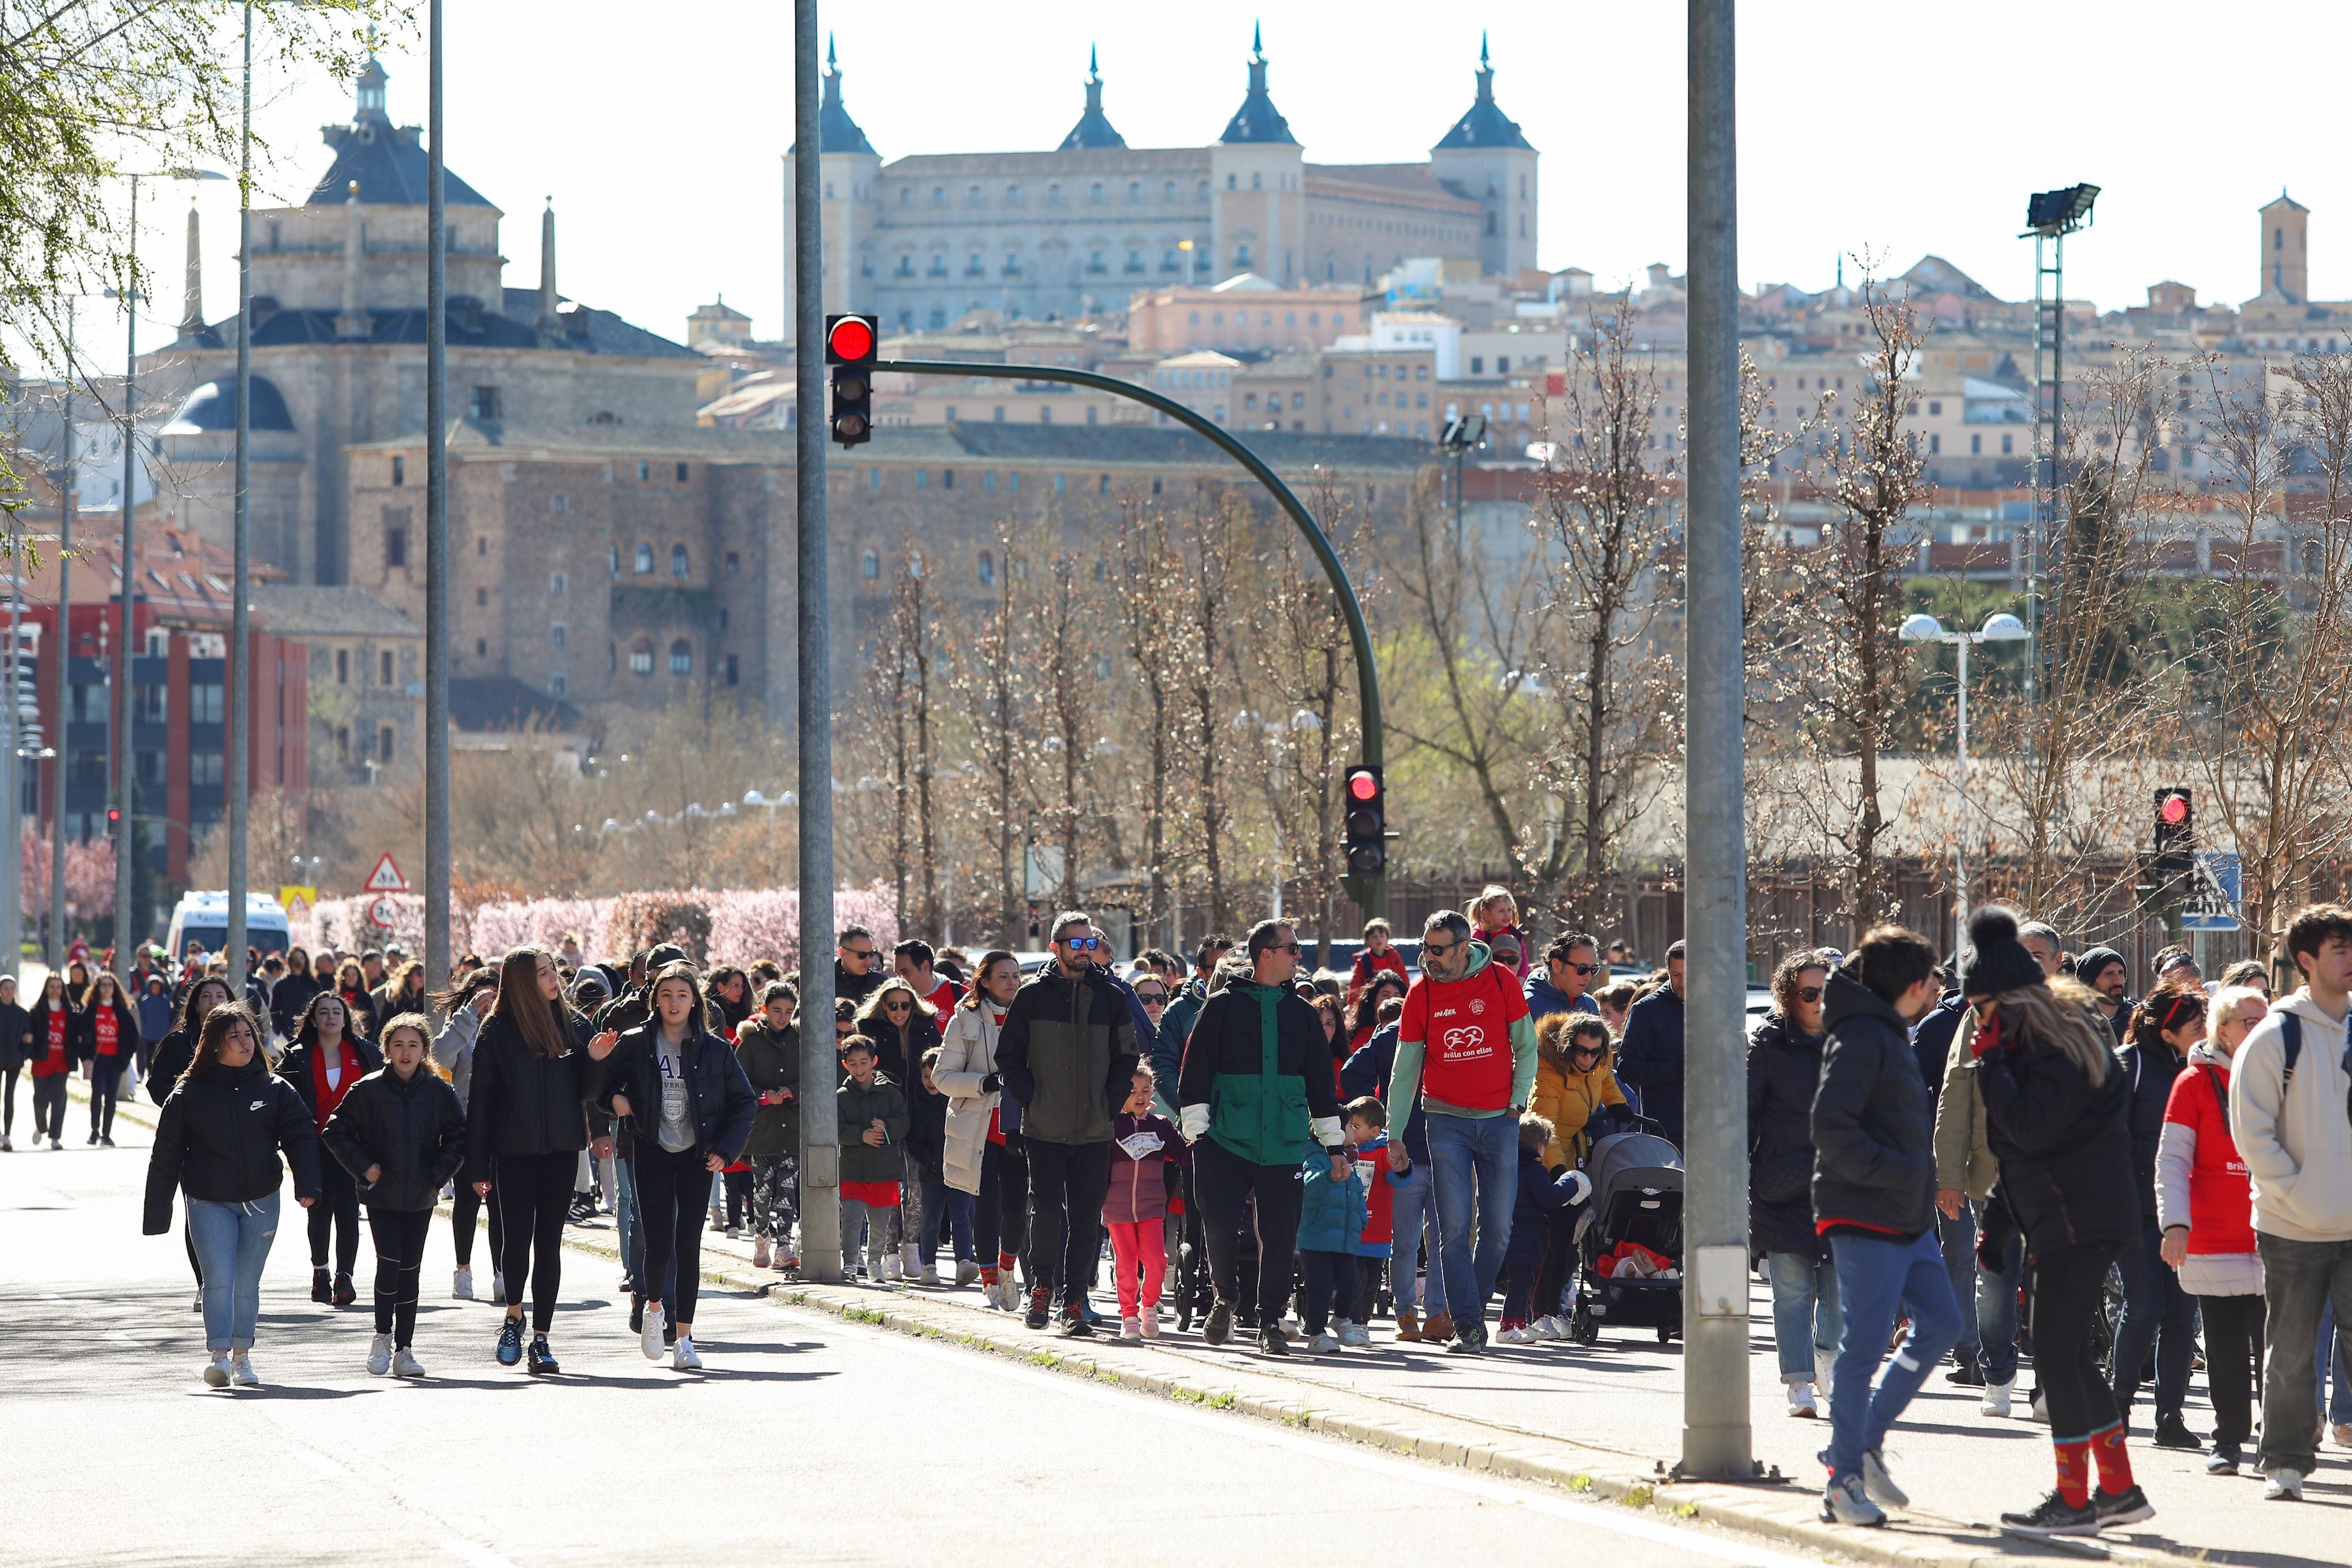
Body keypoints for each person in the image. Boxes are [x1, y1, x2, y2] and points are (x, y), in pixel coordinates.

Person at [1965, 907, 2149, 1537]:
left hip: (2078, 1216)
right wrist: (1997, 1224)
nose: (1976, 1023)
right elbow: (2019, 1150)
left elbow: (2028, 1127)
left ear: (2003, 1001)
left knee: (2055, 1357)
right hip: (2070, 1214)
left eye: (1980, 1009)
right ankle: (2119, 1491)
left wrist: (1989, 1065)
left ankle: (2075, 1502)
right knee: (2068, 1355)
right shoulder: (2038, 1037)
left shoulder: (2047, 1043)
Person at [1812, 924, 1966, 1529]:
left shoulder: (1888, 1032)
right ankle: (1841, 1482)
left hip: (1903, 1212)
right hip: (1864, 1211)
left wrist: (1910, 1180)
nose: (1936, 988)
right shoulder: (1858, 1035)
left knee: (1944, 1322)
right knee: (1865, 1346)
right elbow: (1831, 1125)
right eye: (1930, 979)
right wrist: (1899, 1171)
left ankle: (1860, 1442)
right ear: (1909, 985)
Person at [2227, 903, 2352, 1503]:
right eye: (2340, 951)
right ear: (2306, 961)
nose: (2351, 961)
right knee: (2293, 1348)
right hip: (2291, 1226)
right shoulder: (2277, 1033)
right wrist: (2296, 1192)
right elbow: (2251, 1131)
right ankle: (2284, 1460)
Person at [1178, 919, 1347, 1355]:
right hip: (1224, 1140)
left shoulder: (1302, 1014)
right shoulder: (1220, 1006)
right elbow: (1195, 1068)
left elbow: (1321, 1085)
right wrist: (1198, 1131)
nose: (1298, 956)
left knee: (1280, 1234)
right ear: (1265, 954)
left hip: (1284, 1143)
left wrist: (1334, 1146)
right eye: (1292, 949)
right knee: (1217, 1224)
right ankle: (1226, 1296)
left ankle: (1270, 1319)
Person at [142, 1003, 321, 1388]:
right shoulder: (189, 1092)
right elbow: (166, 1153)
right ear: (214, 1044)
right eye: (234, 1036)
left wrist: (309, 1184)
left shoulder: (274, 1088)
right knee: (219, 1278)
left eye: (248, 1035)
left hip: (261, 1198)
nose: (245, 1043)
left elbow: (302, 1135)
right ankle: (219, 1355)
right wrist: (158, 1212)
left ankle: (243, 1356)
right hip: (208, 1199)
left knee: (247, 1281)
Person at [1385, 908, 1536, 1355]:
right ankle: (1470, 1323)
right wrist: (1394, 1133)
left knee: (1499, 1228)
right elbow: (1404, 1069)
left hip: (1499, 1122)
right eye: (1424, 948)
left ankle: (1471, 1301)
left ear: (1463, 946)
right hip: (1445, 1120)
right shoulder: (1421, 993)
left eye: (1437, 949)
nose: (1428, 957)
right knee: (1452, 1228)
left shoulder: (1502, 981)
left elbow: (1526, 1046)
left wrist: (1518, 1099)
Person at [591, 960, 756, 1370]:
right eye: (666, 994)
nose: (674, 1002)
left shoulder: (715, 1049)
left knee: (688, 1245)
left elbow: (745, 1102)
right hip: (651, 1148)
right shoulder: (634, 1042)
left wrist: (726, 1150)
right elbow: (598, 1084)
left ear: (694, 1000)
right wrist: (614, 1099)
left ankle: (684, 1338)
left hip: (698, 1156)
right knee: (658, 1239)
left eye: (683, 994)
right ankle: (653, 1309)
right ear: (655, 1000)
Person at [1934, 915, 2063, 1419]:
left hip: (2060, 1179)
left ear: (2056, 961)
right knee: (1995, 1285)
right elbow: (1955, 1095)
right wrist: (1948, 1176)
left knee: (2054, 1288)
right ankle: (1999, 1375)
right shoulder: (1980, 1016)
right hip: (1995, 1179)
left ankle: (2049, 1385)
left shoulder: (2073, 1015)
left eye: (2038, 955)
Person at [466, 945, 613, 1376]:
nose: (555, 980)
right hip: (513, 1151)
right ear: (522, 983)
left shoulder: (575, 1024)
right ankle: (514, 1315)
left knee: (549, 1242)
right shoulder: (496, 1032)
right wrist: (477, 1166)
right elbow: (481, 1105)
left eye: (554, 971)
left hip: (563, 1149)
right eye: (544, 974)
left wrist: (597, 1061)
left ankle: (543, 1338)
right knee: (517, 1240)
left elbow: (587, 1090)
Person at [998, 912, 1138, 1335]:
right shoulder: (1031, 996)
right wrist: (1033, 1098)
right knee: (1045, 1211)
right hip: (1043, 1127)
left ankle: (1075, 1298)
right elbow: (1009, 1058)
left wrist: (1110, 1103)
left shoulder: (1112, 997)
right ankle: (1042, 1288)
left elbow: (1127, 1057)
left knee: (1085, 1215)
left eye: (1088, 942)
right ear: (1055, 947)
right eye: (1074, 943)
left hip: (1095, 1128)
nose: (1083, 950)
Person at [2157, 983, 2269, 1474]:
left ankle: (2280, 1440)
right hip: (2215, 1237)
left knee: (2278, 1350)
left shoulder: (2286, 1077)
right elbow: (2173, 1160)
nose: (2262, 1029)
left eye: (2267, 1019)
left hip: (2277, 1234)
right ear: (2222, 1030)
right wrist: (2175, 1224)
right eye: (2250, 1021)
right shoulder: (2193, 1084)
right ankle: (2228, 1440)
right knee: (2224, 1349)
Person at [322, 1013, 466, 1378]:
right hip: (381, 1194)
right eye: (398, 1045)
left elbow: (459, 1138)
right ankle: (382, 1337)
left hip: (420, 1194)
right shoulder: (367, 1089)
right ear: (386, 1049)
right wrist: (365, 1167)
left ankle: (405, 1348)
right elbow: (335, 1132)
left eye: (413, 1045)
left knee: (410, 1268)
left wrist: (435, 1176)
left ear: (424, 1051)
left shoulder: (439, 1092)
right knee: (389, 1263)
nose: (405, 1052)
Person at [2112, 982, 2208, 1448]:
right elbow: (2106, 1139)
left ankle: (2171, 1415)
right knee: (2145, 1305)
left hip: (2186, 1213)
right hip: (2134, 1212)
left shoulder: (2201, 1069)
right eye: (2196, 1026)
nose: (2205, 1032)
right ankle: (2119, 1405)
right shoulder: (2127, 1065)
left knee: (2181, 1313)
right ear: (2168, 1032)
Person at [1748, 949, 1840, 1418]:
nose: (1821, 999)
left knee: (1839, 1292)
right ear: (1789, 996)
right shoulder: (1768, 1043)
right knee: (1792, 1291)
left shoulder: (1853, 1041)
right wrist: (1732, 1177)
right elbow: (1746, 1115)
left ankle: (1826, 1356)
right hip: (1783, 1186)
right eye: (1810, 992)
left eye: (1827, 990)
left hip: (1844, 1186)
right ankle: (1799, 1382)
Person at [1343, 994, 1444, 1342]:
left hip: (1448, 1151)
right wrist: (1380, 1117)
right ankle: (1407, 1314)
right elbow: (1352, 1072)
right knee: (1407, 1242)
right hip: (1405, 1150)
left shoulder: (1454, 1028)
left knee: (1443, 1240)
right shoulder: (1395, 1033)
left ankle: (1437, 1315)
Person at [280, 991, 384, 1309]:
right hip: (313, 1145)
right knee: (319, 1210)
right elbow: (282, 1098)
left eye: (337, 1012)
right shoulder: (298, 1055)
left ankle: (345, 1277)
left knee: (349, 1211)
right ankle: (320, 1272)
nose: (330, 1018)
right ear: (313, 1019)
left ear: (345, 1018)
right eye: (323, 1013)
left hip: (352, 1146)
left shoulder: (364, 1052)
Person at [937, 951, 1024, 1310]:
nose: (1012, 982)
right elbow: (943, 1077)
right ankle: (988, 1275)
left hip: (1024, 1126)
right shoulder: (965, 1019)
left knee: (1019, 1208)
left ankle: (1008, 1270)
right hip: (981, 1128)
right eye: (1003, 976)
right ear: (984, 980)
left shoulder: (1031, 1014)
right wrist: (986, 1083)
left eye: (1016, 975)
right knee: (987, 1207)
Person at [1298, 1097, 1390, 1352]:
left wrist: (1361, 1219)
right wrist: (1329, 1177)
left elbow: (1357, 1192)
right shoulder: (1314, 1157)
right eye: (1350, 1127)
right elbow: (1309, 1187)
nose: (1354, 1132)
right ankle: (1316, 1333)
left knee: (1353, 1282)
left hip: (1345, 1238)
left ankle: (1341, 1320)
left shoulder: (1351, 1158)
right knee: (1321, 1287)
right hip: (1317, 1238)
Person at [433, 969, 501, 1299]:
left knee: (502, 1203)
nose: (488, 1001)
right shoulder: (462, 1027)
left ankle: (503, 1272)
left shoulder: (511, 1027)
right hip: (466, 1125)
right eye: (481, 995)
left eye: (494, 994)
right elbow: (439, 1056)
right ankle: (463, 1269)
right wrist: (469, 1015)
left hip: (505, 1126)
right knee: (467, 1202)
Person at [1105, 1064, 1186, 1339]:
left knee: (1156, 1261)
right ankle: (1128, 1315)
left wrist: (1202, 1140)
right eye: (1132, 1090)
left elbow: (1182, 1153)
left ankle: (1148, 1305)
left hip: (1152, 1206)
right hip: (1117, 1207)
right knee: (1126, 1263)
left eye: (1145, 1089)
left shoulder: (1161, 1126)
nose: (1140, 1095)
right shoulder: (1112, 1125)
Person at [1497, 1112, 1593, 1343]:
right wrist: (1570, 1181)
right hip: (1527, 1237)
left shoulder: (1509, 1166)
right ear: (1540, 1146)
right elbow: (1550, 1198)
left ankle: (1520, 1323)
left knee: (1521, 1282)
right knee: (1520, 1284)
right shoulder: (1535, 1170)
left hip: (1513, 1235)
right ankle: (1507, 1327)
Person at [735, 980, 801, 1272]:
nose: (783, 1017)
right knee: (763, 1191)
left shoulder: (801, 1039)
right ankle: (762, 1237)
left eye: (789, 1011)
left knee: (787, 1190)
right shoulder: (751, 1043)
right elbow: (737, 1082)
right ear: (764, 1009)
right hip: (762, 1131)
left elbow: (815, 1075)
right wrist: (764, 1096)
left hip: (793, 1128)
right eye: (777, 1011)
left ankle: (784, 1246)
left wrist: (793, 1091)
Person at [836, 1033, 910, 1282]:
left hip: (884, 1169)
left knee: (880, 1222)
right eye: (853, 1063)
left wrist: (886, 1127)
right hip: (853, 1168)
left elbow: (904, 1122)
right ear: (845, 1065)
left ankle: (875, 1264)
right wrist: (861, 1135)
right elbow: (836, 1129)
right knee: (851, 1218)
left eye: (864, 1062)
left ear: (874, 1061)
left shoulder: (889, 1093)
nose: (860, 1068)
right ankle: (849, 1262)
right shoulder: (842, 1095)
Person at [1617, 939, 1687, 1145]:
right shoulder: (1647, 1011)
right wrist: (1677, 1070)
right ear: (1668, 971)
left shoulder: (1715, 1009)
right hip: (1665, 1132)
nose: (1683, 983)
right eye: (1676, 975)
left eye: (1688, 975)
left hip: (1710, 1129)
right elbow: (1627, 1068)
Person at [1151, 934, 1234, 1096]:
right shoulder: (1178, 1011)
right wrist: (1189, 1110)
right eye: (1218, 968)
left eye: (1233, 967)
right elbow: (1163, 1067)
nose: (1228, 974)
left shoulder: (1252, 1005)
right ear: (1200, 972)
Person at [72, 970, 140, 1147]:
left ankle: (106, 1134)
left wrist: (126, 1058)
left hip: (116, 1060)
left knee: (111, 1097)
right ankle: (94, 1131)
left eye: (110, 985)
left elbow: (134, 1037)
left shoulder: (122, 1011)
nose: (107, 989)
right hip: (97, 1059)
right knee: (97, 1094)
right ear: (97, 988)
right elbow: (80, 1035)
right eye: (103, 985)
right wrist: (85, 1057)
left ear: (115, 989)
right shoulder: (91, 1010)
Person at [25, 973, 74, 1150]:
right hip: (42, 1062)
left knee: (59, 1099)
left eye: (58, 987)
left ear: (63, 990)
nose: (55, 991)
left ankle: (55, 1137)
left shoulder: (70, 1011)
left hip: (61, 1063)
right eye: (52, 987)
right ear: (46, 989)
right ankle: (41, 1126)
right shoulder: (37, 1012)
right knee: (40, 1100)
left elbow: (76, 1035)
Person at [1525, 934, 1604, 1025]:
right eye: (1582, 969)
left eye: (1593, 970)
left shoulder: (1590, 1004)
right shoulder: (1528, 1005)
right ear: (1557, 965)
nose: (1589, 977)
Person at [1469, 885, 1530, 981]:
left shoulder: (1515, 934)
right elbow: (1474, 961)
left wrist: (1521, 978)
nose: (1507, 915)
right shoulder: (1480, 934)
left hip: (1509, 979)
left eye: (1510, 910)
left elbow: (1523, 959)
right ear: (1487, 914)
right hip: (1486, 980)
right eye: (1502, 911)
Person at [2074, 947, 2131, 1043]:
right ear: (2088, 983)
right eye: (2109, 974)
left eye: (2121, 973)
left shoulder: (2138, 1021)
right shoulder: (2074, 1021)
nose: (2118, 981)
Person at [1347, 918, 1409, 1005]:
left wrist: (1408, 998)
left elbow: (1404, 979)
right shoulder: (1363, 960)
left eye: (1382, 936)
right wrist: (1352, 1004)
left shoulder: (1394, 957)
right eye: (1374, 937)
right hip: (1371, 1002)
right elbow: (1356, 985)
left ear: (1387, 938)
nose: (1379, 940)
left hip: (1394, 1000)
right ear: (1367, 940)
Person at [895, 939, 962, 1016]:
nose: (900, 979)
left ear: (925, 967)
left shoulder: (960, 994)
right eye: (897, 974)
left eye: (905, 972)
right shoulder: (893, 1003)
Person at [0, 976, 29, 1152]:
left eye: (12, 988)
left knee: (9, 1097)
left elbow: (29, 1038)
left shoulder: (22, 1014)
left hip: (13, 1061)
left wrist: (22, 1056)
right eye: (6, 988)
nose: (9, 992)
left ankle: (8, 1135)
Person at [836, 923, 887, 1008]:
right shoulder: (827, 983)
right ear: (843, 953)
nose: (868, 960)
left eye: (871, 954)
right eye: (862, 955)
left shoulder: (881, 984)